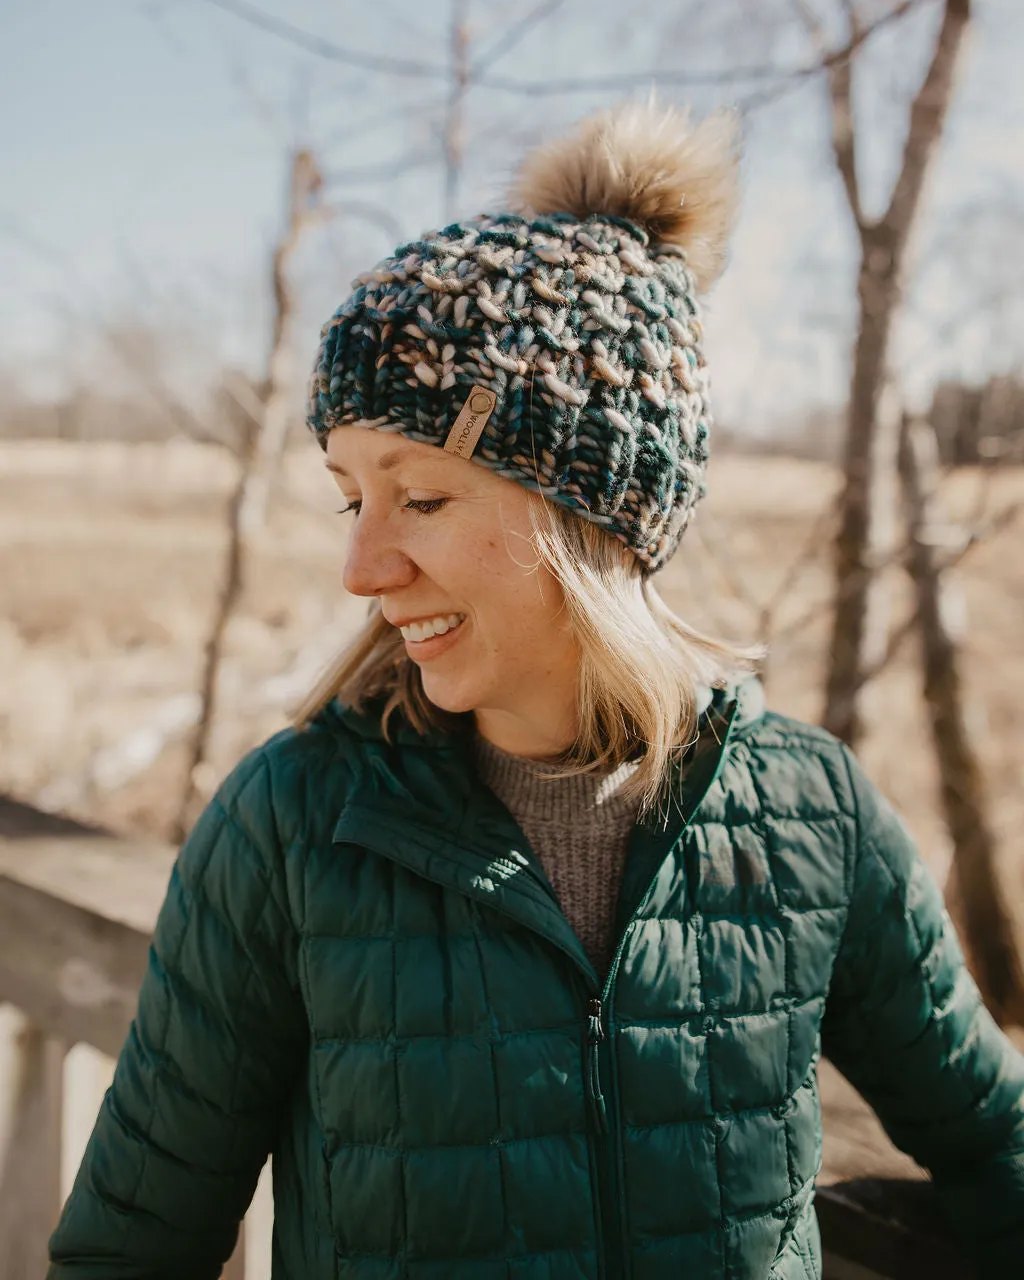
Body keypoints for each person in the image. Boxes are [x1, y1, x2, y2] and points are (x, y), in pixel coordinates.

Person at [49, 101, 1024, 1280]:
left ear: (592, 516)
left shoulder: (807, 812)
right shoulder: (292, 828)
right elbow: (131, 1244)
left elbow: (988, 1135)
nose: (362, 567)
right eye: (350, 496)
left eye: (421, 496)